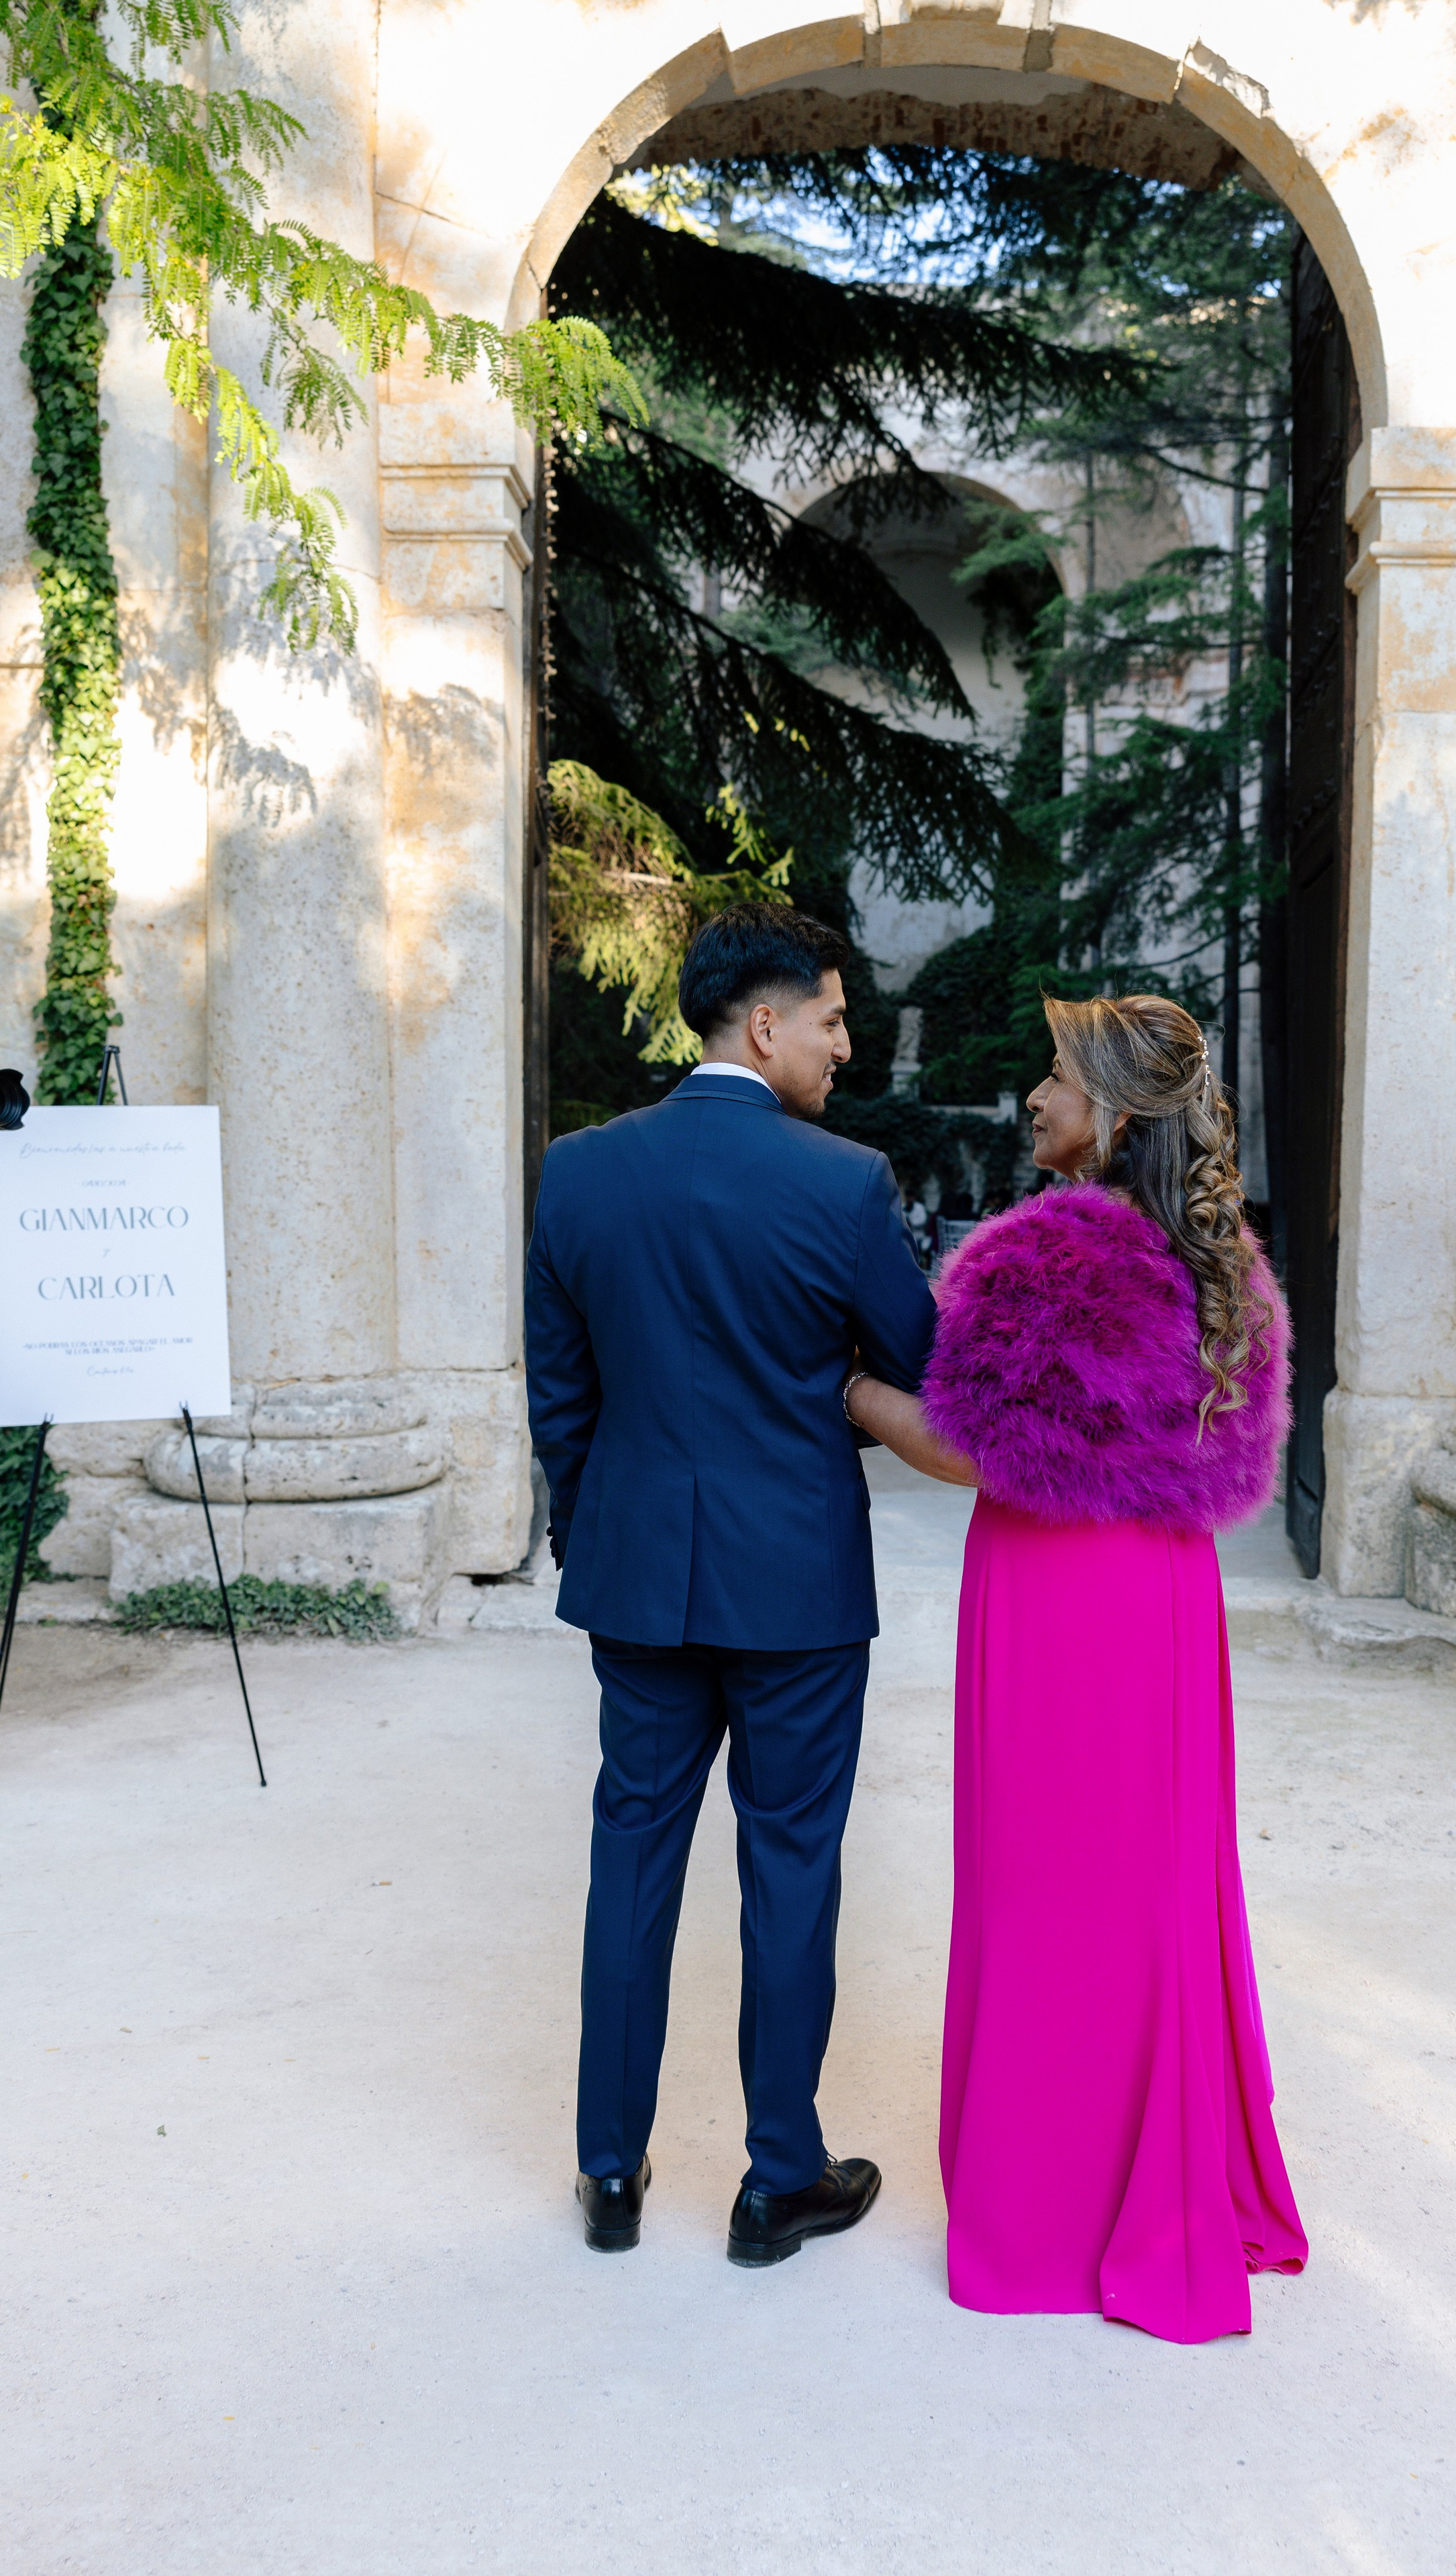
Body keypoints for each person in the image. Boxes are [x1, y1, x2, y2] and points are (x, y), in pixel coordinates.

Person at [844, 993, 1308, 2342]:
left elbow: (964, 1447)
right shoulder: (1225, 1263)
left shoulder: (1047, 1251)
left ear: (1107, 1112)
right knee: (1149, 1887)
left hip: (1052, 1600)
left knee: (1039, 1883)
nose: (1037, 1098)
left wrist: (848, 1391)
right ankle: (1150, 2179)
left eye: (1055, 1077)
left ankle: (1045, 2208)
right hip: (1161, 1600)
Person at [526, 904, 937, 2267]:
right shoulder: (845, 1183)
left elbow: (562, 1399)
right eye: (831, 1019)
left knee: (630, 1857)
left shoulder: (579, 1173)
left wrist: (598, 1536)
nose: (843, 1046)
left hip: (638, 1575)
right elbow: (922, 1366)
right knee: (792, 1865)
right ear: (764, 1025)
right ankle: (777, 2181)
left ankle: (607, 2173)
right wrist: (833, 1389)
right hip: (797, 1585)